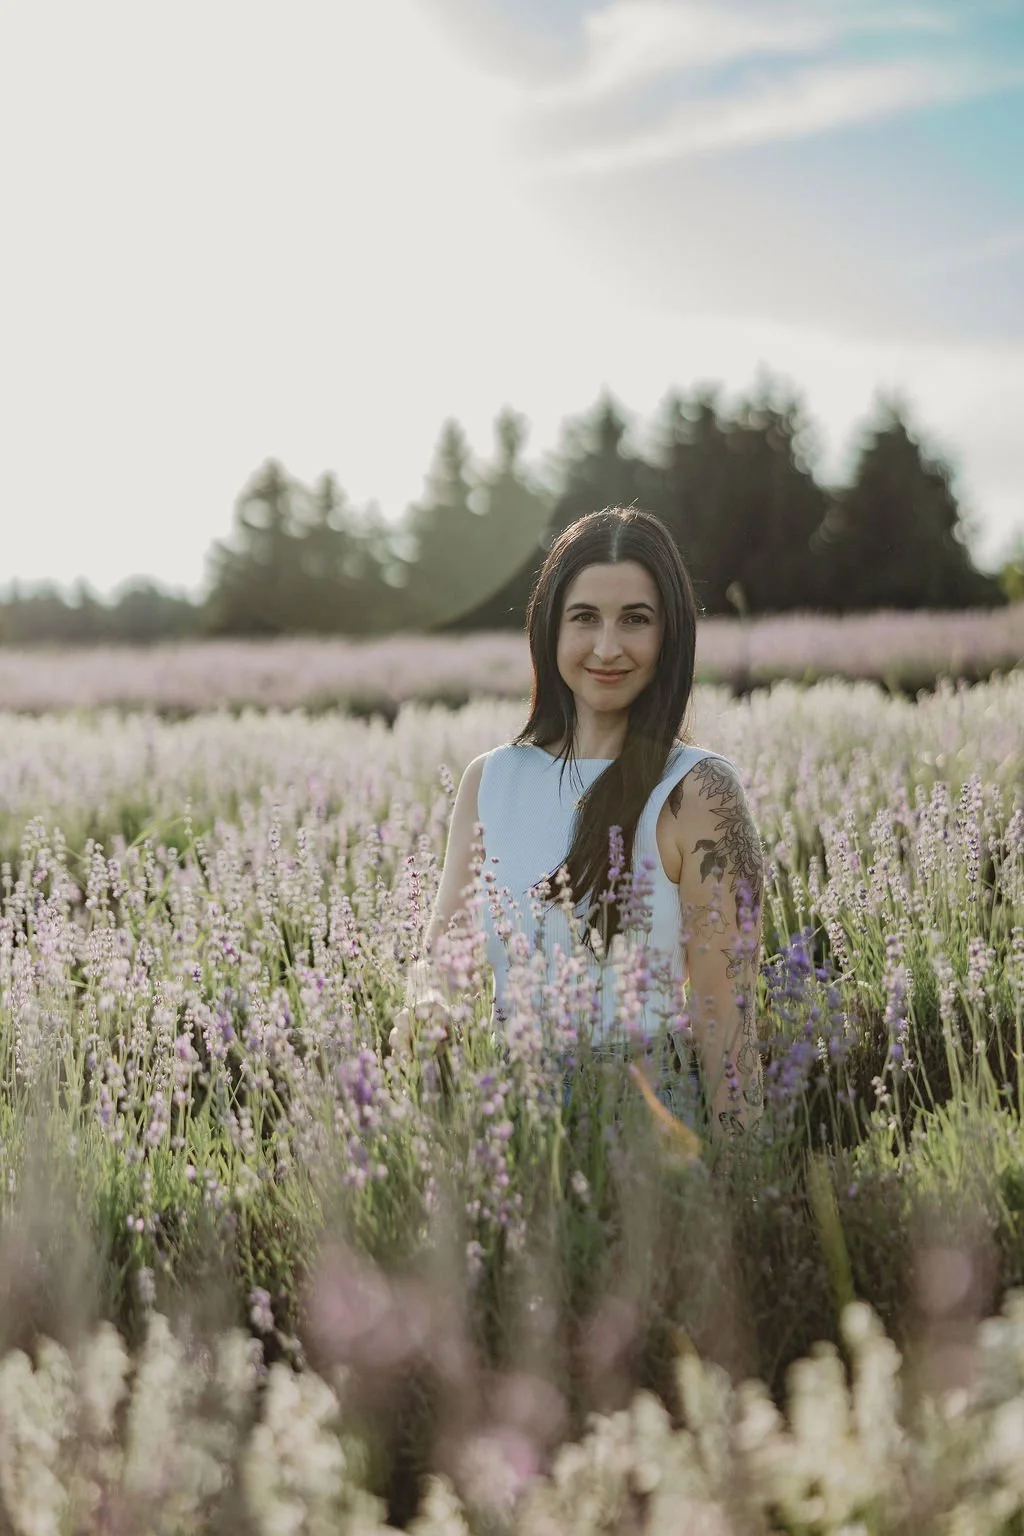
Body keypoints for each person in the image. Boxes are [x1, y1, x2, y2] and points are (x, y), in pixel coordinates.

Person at [391, 507, 764, 1145]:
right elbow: (444, 954)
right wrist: (429, 1002)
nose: (608, 647)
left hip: (648, 1131)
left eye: (636, 621)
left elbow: (727, 1023)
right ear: (549, 628)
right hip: (516, 1125)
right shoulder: (491, 781)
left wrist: (749, 1195)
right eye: (585, 617)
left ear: (670, 635)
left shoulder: (699, 790)